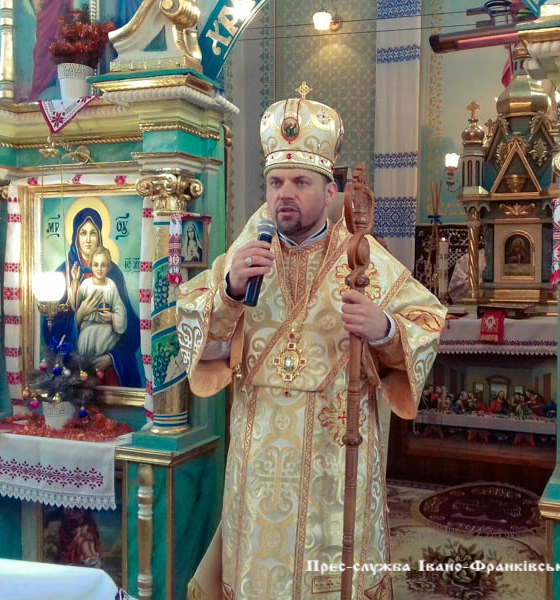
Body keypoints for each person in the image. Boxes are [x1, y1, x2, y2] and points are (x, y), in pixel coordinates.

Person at [177, 93, 445, 599]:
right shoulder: (246, 252)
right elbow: (193, 334)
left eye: (301, 182)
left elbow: (427, 320)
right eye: (276, 182)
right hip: (260, 461)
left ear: (330, 191)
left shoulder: (362, 256)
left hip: (335, 455)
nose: (285, 194)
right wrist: (229, 292)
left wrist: (384, 327)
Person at [48, 208, 141, 387]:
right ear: (76, 236)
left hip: (107, 366)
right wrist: (78, 316)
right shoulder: (64, 273)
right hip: (74, 368)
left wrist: (111, 357)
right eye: (83, 233)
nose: (88, 239)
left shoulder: (113, 274)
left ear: (100, 236)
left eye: (93, 233)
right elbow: (51, 329)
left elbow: (130, 327)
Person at [70, 246, 127, 360]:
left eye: (103, 265)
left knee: (106, 334)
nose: (99, 269)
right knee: (84, 340)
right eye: (96, 265)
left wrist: (112, 317)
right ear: (91, 265)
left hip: (106, 328)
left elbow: (119, 308)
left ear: (108, 267)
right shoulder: (86, 284)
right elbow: (75, 306)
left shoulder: (111, 285)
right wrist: (75, 281)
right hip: (87, 328)